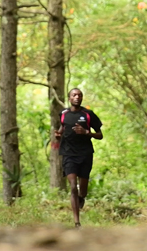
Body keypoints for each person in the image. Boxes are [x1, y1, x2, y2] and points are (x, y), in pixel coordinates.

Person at [54, 88, 103, 228]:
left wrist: (86, 132)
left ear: (82, 98)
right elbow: (62, 127)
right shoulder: (63, 114)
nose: (77, 97)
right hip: (68, 154)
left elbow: (100, 135)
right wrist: (59, 134)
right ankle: (77, 222)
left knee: (82, 190)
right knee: (73, 188)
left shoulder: (88, 114)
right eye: (74, 95)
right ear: (69, 98)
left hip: (85, 154)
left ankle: (82, 197)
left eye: (79, 95)